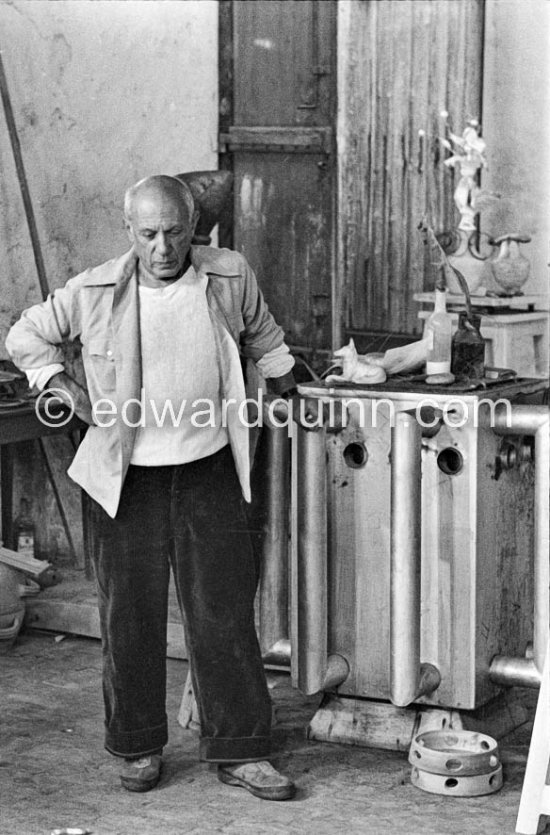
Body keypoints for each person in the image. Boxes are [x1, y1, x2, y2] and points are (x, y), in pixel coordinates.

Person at [6, 175, 297, 801]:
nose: (163, 247)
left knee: (222, 614)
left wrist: (296, 386)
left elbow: (266, 339)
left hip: (210, 469)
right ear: (128, 230)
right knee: (128, 617)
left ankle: (241, 750)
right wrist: (59, 383)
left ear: (194, 227)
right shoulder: (96, 289)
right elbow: (24, 335)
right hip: (124, 480)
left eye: (174, 232)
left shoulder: (228, 274)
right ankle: (137, 746)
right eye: (148, 234)